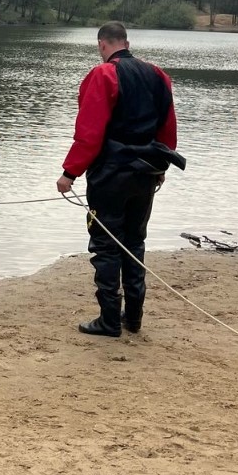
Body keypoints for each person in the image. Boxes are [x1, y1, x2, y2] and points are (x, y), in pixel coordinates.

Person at [56, 22, 183, 337]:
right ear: (127, 42)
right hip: (145, 172)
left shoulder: (104, 75)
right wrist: (161, 168)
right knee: (134, 241)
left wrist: (69, 173)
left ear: (102, 45)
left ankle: (110, 320)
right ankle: (133, 317)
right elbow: (168, 128)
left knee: (106, 245)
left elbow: (90, 133)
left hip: (111, 175)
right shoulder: (158, 75)